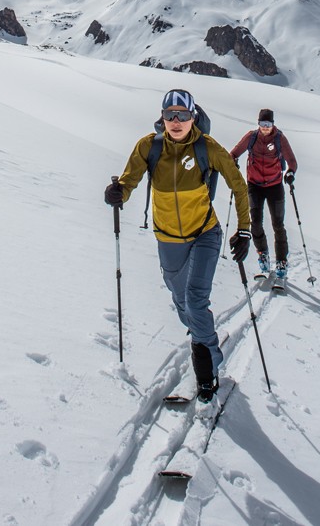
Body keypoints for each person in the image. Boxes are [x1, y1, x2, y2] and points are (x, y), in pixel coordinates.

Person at [104, 89, 251, 402]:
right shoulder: (149, 146)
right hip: (167, 237)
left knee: (196, 299)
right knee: (180, 299)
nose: (175, 121)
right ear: (162, 118)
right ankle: (205, 336)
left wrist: (245, 230)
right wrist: (118, 193)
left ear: (193, 117)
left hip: (205, 233)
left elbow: (238, 186)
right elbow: (129, 181)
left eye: (182, 115)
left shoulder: (206, 147)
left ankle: (207, 373)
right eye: (169, 114)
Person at [230, 109, 298, 279]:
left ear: (273, 124)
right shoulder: (251, 137)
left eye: (268, 124)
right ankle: (263, 254)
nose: (265, 128)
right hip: (254, 185)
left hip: (274, 186)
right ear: (258, 123)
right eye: (262, 124)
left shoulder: (279, 139)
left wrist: (290, 173)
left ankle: (282, 261)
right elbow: (234, 153)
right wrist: (232, 162)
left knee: (278, 224)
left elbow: (292, 162)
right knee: (256, 223)